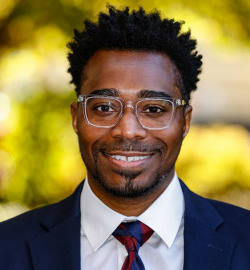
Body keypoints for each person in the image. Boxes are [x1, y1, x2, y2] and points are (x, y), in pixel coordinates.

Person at [0, 6, 249, 270]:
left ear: (184, 121)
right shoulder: (7, 248)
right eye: (104, 108)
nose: (128, 130)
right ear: (76, 117)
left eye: (154, 109)